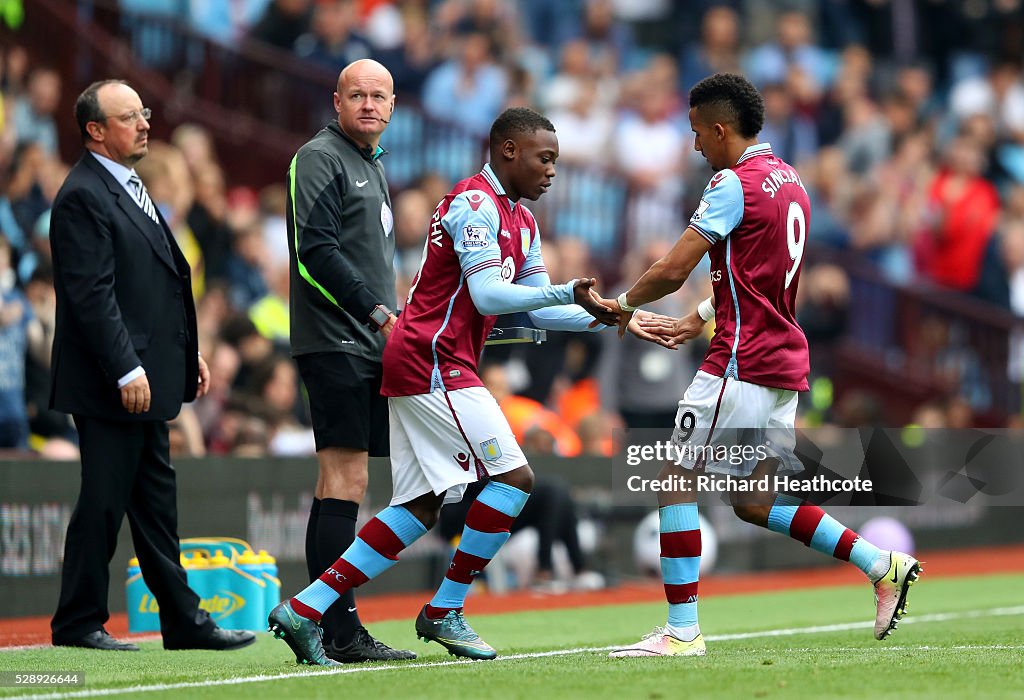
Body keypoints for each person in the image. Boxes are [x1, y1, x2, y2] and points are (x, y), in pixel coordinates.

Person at [269, 107, 661, 665]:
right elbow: (489, 296)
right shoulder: (475, 203)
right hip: (433, 359)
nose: (552, 171)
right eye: (544, 158)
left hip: (434, 361)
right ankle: (445, 609)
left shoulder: (522, 221)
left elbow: (539, 310)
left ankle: (304, 608)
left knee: (421, 504)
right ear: (508, 151)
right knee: (514, 478)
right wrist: (565, 292)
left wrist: (615, 316)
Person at [600, 73, 922, 658]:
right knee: (752, 501)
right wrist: (702, 314)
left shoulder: (731, 183)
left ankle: (681, 631)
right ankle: (881, 564)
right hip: (782, 363)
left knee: (675, 477)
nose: (695, 143)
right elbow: (762, 275)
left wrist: (619, 306)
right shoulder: (790, 180)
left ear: (721, 129)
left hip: (740, 362)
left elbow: (672, 268)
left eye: (698, 131)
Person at [48, 79, 254, 652]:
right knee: (104, 500)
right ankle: (78, 621)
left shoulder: (127, 183)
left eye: (144, 112)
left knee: (156, 505)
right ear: (95, 131)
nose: (144, 124)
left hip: (145, 375)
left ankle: (184, 622)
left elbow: (156, 285)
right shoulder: (83, 194)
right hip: (111, 381)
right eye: (128, 117)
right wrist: (125, 368)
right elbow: (92, 295)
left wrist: (185, 355)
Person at [285, 58, 412, 663]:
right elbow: (314, 252)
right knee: (347, 479)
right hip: (335, 340)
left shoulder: (372, 164)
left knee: (340, 483)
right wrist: (378, 313)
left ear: (393, 105)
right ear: (336, 101)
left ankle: (324, 624)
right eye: (357, 94)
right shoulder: (320, 157)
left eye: (378, 96)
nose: (368, 104)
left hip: (366, 342)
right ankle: (338, 630)